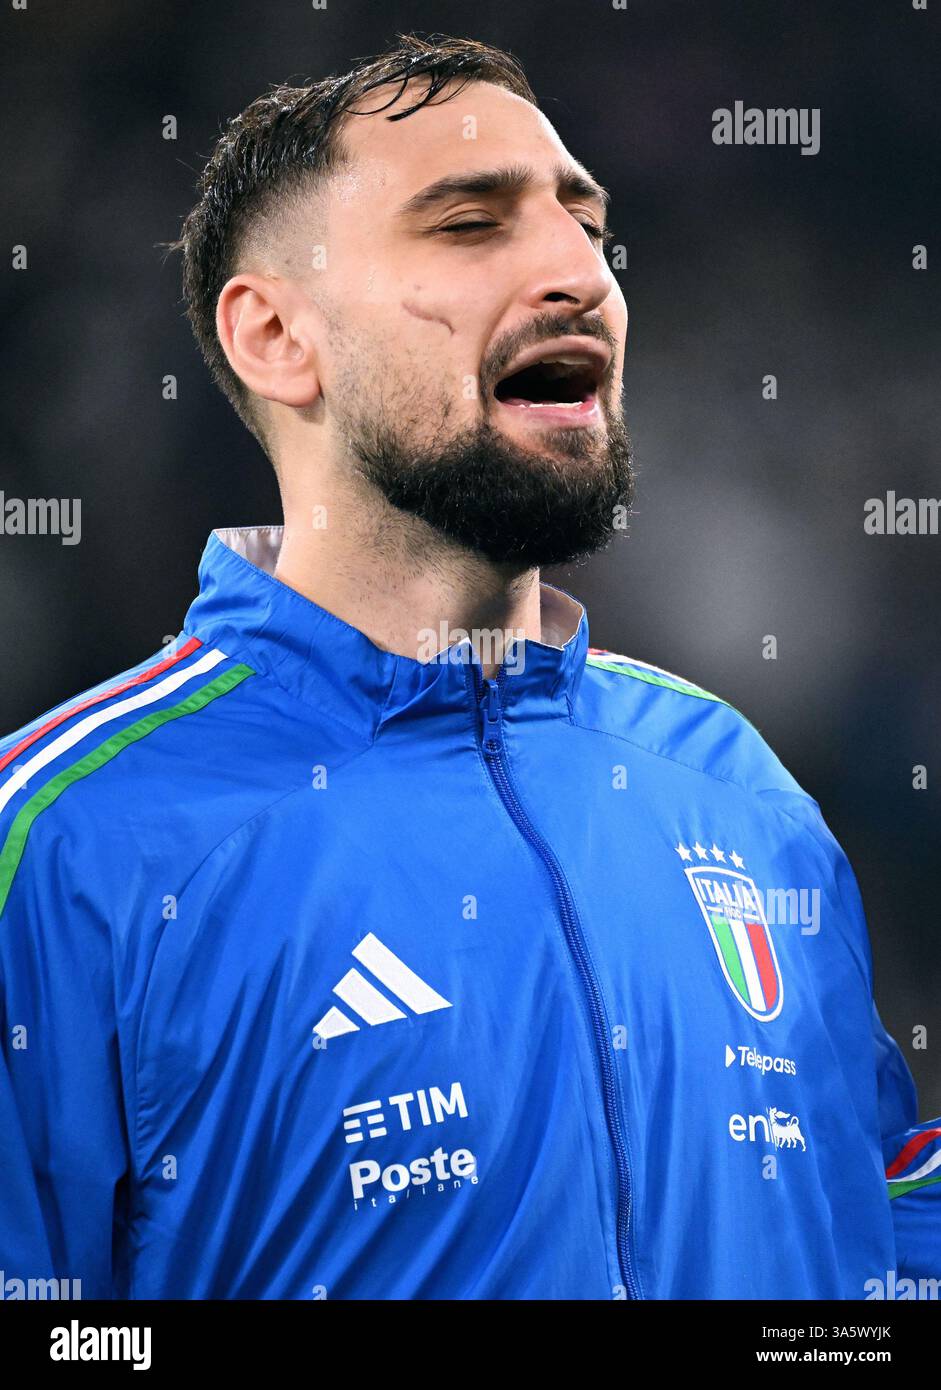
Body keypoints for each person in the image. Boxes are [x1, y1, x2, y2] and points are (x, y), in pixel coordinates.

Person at [0, 34, 936, 1301]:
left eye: (583, 222)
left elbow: (867, 1257)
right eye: (468, 224)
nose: (579, 274)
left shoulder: (740, 795)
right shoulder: (68, 837)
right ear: (277, 333)